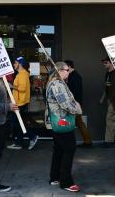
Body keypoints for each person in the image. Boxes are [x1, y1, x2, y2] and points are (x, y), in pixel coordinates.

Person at [46, 61, 82, 193]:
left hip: (56, 122)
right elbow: (65, 104)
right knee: (69, 148)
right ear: (59, 70)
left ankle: (54, 177)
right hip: (63, 122)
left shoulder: (54, 83)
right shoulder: (58, 84)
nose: (69, 71)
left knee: (59, 150)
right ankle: (66, 181)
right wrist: (78, 109)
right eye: (67, 69)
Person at [7, 57, 39, 150]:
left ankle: (32, 137)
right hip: (18, 102)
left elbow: (22, 89)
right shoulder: (20, 74)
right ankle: (18, 143)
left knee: (16, 123)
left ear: (19, 64)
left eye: (15, 63)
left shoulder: (23, 74)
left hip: (20, 103)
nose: (14, 64)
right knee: (18, 122)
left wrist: (12, 86)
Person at [64, 60, 92, 148]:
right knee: (79, 123)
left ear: (68, 66)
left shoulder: (74, 76)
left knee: (70, 123)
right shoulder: (74, 75)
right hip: (76, 104)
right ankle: (87, 141)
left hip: (74, 104)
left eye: (65, 67)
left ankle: (70, 143)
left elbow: (74, 92)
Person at [99, 57, 115, 145]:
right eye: (103, 62)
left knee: (110, 119)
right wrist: (103, 98)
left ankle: (109, 141)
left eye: (106, 62)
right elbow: (106, 87)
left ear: (111, 63)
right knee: (113, 119)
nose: (104, 64)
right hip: (109, 99)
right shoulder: (107, 74)